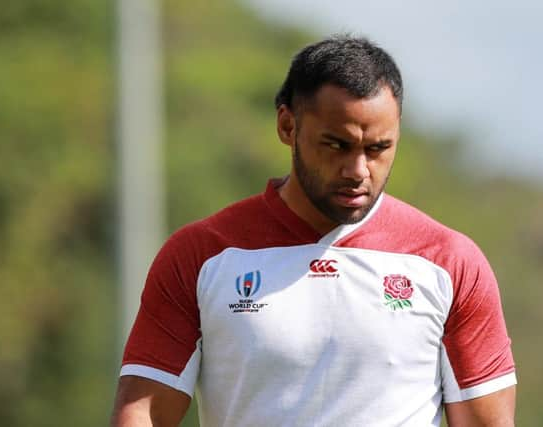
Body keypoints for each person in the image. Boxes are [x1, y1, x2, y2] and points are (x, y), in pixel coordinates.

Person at [111, 36, 516, 426]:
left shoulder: (447, 261)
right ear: (288, 126)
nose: (358, 171)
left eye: (377, 149)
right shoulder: (201, 255)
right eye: (336, 145)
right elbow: (145, 411)